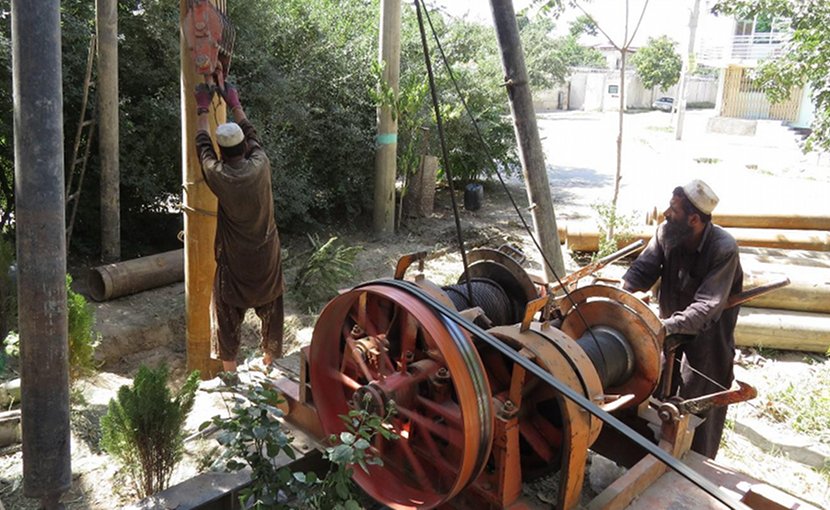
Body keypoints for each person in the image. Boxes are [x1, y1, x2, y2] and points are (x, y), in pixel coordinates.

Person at [622, 179, 743, 459]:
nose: (666, 213)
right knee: (651, 383)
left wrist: (663, 327)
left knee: (698, 402)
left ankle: (695, 467)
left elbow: (706, 307)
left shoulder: (723, 249)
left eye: (673, 210)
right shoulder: (667, 233)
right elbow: (643, 269)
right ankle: (645, 453)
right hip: (668, 326)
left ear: (694, 219)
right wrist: (621, 292)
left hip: (708, 336)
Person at [194, 79, 284, 372]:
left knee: (226, 313)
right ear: (244, 147)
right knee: (272, 308)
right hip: (267, 256)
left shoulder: (219, 175)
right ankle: (270, 361)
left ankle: (230, 375)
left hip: (236, 264)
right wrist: (235, 104)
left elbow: (203, 147)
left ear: (223, 152)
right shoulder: (261, 163)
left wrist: (202, 108)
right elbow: (251, 133)